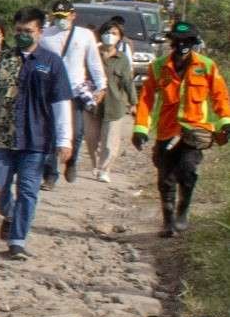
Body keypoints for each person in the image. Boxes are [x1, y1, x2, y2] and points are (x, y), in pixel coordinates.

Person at [0, 7, 74, 260]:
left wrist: (65, 140)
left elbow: (61, 103)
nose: (23, 35)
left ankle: (17, 241)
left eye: (28, 31)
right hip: (2, 138)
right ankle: (10, 214)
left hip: (36, 140)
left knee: (28, 191)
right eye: (18, 31)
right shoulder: (0, 60)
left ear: (40, 32)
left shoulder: (52, 63)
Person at [132, 21, 230, 236]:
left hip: (194, 131)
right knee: (165, 177)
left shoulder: (206, 66)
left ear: (194, 42)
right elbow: (146, 99)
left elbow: (220, 95)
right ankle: (168, 222)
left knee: (187, 171)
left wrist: (225, 122)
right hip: (167, 131)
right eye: (178, 41)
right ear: (172, 42)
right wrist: (140, 128)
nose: (182, 45)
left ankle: (182, 210)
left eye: (187, 41)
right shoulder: (158, 66)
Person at [40, 0, 106, 187]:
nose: (62, 20)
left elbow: (94, 62)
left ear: (73, 15)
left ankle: (71, 161)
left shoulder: (85, 35)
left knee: (76, 132)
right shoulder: (45, 36)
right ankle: (50, 174)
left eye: (65, 16)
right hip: (51, 91)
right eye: (58, 17)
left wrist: (101, 86)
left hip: (75, 90)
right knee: (51, 133)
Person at [88, 19, 138, 183]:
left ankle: (104, 169)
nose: (110, 36)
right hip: (93, 104)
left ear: (120, 37)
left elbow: (127, 82)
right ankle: (95, 165)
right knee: (91, 139)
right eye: (107, 32)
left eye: (114, 33)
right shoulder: (92, 54)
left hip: (114, 104)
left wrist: (133, 102)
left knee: (110, 141)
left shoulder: (122, 59)